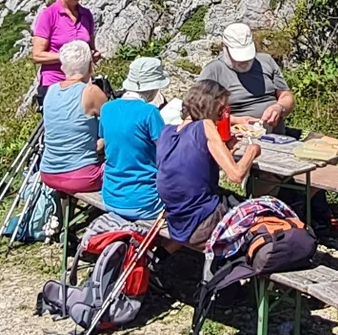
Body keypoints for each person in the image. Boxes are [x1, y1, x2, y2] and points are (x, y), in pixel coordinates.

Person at [157, 79, 260, 247]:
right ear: (212, 105)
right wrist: (252, 151)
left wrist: (226, 150)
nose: (222, 115)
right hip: (203, 221)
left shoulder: (166, 132)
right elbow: (236, 176)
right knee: (261, 210)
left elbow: (193, 169)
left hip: (177, 221)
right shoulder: (205, 125)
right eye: (222, 109)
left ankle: (162, 255)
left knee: (229, 197)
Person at [99, 57, 170, 222]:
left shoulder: (107, 108)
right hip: (146, 202)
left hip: (110, 197)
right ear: (152, 88)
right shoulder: (150, 112)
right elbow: (167, 152)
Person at [40, 40, 108, 195]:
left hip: (48, 173)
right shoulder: (91, 91)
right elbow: (117, 125)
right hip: (82, 176)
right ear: (90, 66)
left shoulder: (51, 91)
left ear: (63, 67)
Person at [199, 23, 294, 132]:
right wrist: (236, 120)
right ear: (224, 48)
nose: (244, 62)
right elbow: (198, 110)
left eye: (247, 57)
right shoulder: (213, 70)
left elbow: (286, 96)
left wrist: (279, 108)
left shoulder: (266, 61)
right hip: (238, 137)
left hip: (276, 136)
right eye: (238, 58)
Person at [30, 0, 96, 100]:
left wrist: (93, 55)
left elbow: (91, 49)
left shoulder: (86, 15)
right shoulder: (48, 15)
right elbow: (37, 55)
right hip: (54, 83)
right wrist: (68, 57)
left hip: (81, 84)